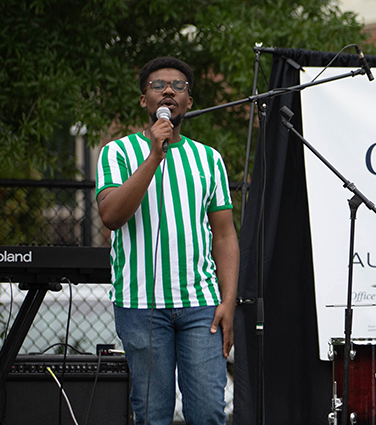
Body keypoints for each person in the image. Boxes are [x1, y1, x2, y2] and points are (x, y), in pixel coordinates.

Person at [96, 56, 237, 425]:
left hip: (201, 306)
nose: (169, 90)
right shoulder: (117, 152)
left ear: (189, 101)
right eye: (158, 85)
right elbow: (111, 216)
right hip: (141, 306)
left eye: (179, 86)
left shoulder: (208, 159)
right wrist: (152, 159)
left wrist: (229, 302)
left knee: (208, 412)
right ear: (144, 100)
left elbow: (224, 235)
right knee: (152, 415)